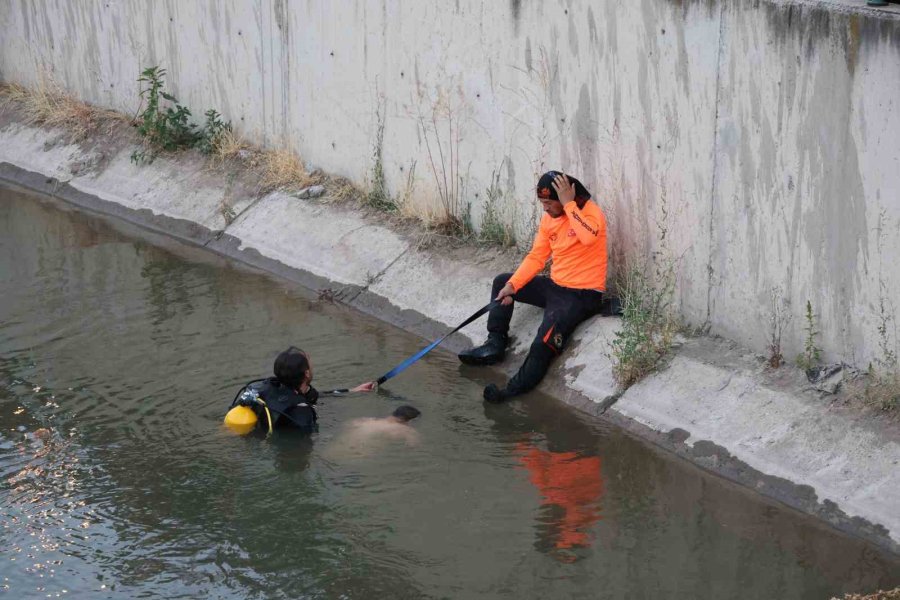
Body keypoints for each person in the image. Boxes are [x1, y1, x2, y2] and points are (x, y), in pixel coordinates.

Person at [459, 171, 607, 403]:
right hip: (556, 286)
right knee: (502, 281)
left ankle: (510, 390)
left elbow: (588, 238)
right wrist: (513, 285)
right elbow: (537, 257)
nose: (545, 209)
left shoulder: (590, 212)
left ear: (565, 197)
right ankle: (495, 344)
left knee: (543, 340)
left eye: (549, 203)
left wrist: (569, 205)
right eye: (542, 203)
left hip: (581, 295)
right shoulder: (549, 219)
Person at [226, 346, 375, 434]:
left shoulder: (267, 387)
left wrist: (353, 390)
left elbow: (313, 396)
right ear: (307, 373)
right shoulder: (301, 412)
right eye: (309, 362)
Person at [326, 405, 421, 457]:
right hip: (356, 459)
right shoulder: (405, 430)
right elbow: (413, 449)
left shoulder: (363, 420)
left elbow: (344, 426)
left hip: (331, 452)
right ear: (408, 420)